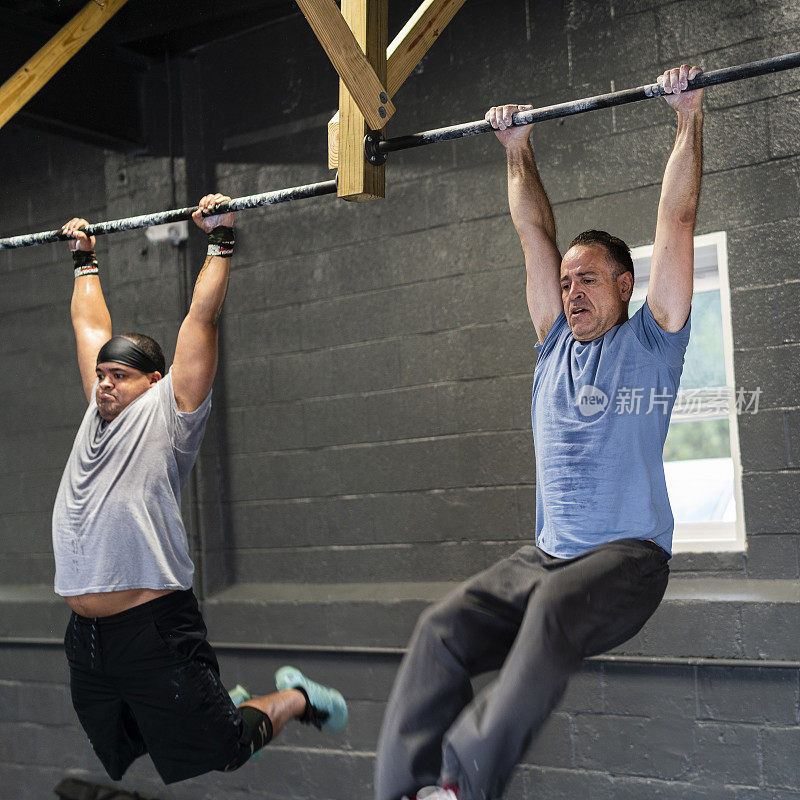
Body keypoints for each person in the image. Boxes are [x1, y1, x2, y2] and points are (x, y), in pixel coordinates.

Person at [374, 64, 704, 800]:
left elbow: (675, 223)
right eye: (565, 281)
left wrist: (687, 119)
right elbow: (533, 230)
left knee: (552, 611)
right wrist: (516, 147)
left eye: (588, 278)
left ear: (626, 284)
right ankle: (405, 791)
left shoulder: (653, 343)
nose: (571, 291)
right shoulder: (553, 343)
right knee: (441, 630)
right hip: (547, 558)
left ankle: (462, 784)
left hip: (628, 562)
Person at [54, 195, 347, 785]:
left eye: (120, 375)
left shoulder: (171, 412)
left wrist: (220, 241)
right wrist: (84, 259)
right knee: (124, 749)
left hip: (152, 624)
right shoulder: (97, 411)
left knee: (222, 749)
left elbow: (200, 321)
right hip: (86, 635)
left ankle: (295, 700)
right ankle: (218, 704)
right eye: (102, 375)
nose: (105, 383)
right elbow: (90, 325)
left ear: (155, 381)